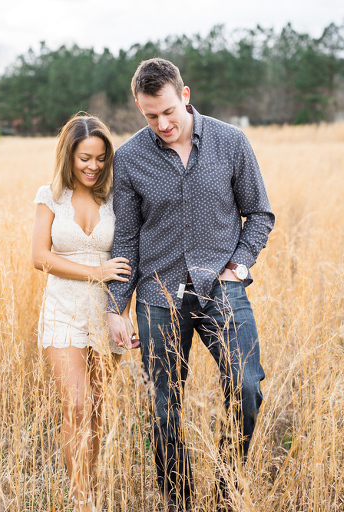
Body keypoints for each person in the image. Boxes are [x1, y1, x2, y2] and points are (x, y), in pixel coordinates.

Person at [107, 58, 275, 511]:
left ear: (184, 95)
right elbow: (124, 238)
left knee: (246, 386)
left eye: (167, 112)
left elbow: (259, 213)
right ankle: (177, 500)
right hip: (158, 292)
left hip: (221, 285)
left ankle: (225, 489)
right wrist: (114, 307)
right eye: (149, 116)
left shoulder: (230, 142)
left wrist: (238, 266)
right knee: (165, 405)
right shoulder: (129, 159)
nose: (161, 124)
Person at [31, 114, 135, 512]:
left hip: (105, 311)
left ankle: (89, 483)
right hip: (61, 308)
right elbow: (40, 257)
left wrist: (125, 312)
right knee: (75, 402)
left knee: (95, 407)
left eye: (101, 159)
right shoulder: (50, 196)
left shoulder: (117, 199)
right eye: (84, 158)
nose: (93, 167)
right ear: (68, 156)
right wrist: (95, 271)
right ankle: (81, 500)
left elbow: (129, 259)